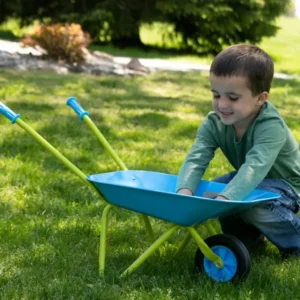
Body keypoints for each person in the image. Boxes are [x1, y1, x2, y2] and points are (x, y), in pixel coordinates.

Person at [176, 44, 300, 257]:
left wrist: (225, 201)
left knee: (242, 200)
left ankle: (294, 243)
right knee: (215, 190)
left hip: (288, 186)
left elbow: (254, 168)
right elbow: (196, 158)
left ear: (260, 98)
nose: (222, 104)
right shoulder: (214, 123)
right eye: (216, 95)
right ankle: (248, 241)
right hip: (253, 180)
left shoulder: (271, 126)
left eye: (233, 98)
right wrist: (184, 194)